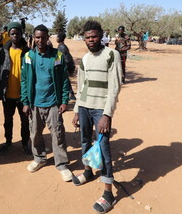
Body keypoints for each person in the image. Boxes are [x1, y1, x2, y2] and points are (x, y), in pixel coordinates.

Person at [72, 20, 122, 213]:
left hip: (101, 110)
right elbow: (81, 85)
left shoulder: (112, 55)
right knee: (85, 142)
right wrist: (77, 109)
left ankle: (108, 193)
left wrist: (107, 114)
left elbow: (114, 86)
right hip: (84, 107)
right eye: (87, 37)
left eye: (94, 36)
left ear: (101, 35)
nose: (91, 40)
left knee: (103, 148)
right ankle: (87, 171)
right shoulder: (84, 59)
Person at [21, 24, 72, 182]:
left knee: (57, 134)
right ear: (33, 38)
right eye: (37, 37)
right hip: (35, 103)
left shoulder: (57, 56)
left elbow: (64, 79)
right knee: (35, 133)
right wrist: (25, 101)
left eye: (43, 37)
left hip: (53, 103)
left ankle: (62, 164)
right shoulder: (28, 56)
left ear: (47, 37)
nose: (40, 40)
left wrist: (64, 100)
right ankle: (39, 158)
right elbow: (24, 81)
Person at [0, 22, 31, 156]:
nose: (15, 36)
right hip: (8, 94)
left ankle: (25, 144)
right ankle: (8, 142)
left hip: (23, 95)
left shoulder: (28, 52)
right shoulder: (4, 52)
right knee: (7, 120)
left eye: (17, 33)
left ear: (21, 34)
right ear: (9, 35)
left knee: (25, 121)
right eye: (12, 33)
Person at [56, 32, 76, 100]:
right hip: (65, 66)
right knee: (65, 80)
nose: (56, 38)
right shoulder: (61, 46)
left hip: (65, 66)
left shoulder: (62, 47)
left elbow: (66, 58)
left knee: (65, 80)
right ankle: (71, 94)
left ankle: (70, 94)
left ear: (60, 38)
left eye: (57, 37)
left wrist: (64, 66)